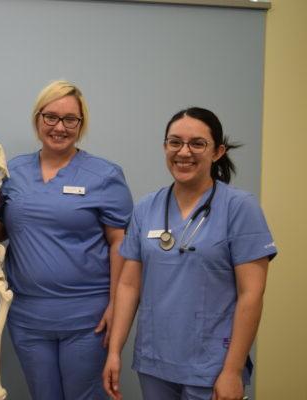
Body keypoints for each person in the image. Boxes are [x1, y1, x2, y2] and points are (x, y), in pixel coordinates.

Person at [103, 107, 277, 400]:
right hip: (155, 361)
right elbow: (129, 285)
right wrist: (114, 351)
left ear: (218, 151)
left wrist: (232, 371)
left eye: (197, 143)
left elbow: (251, 294)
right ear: (165, 147)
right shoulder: (147, 208)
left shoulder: (239, 208)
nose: (184, 152)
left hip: (212, 365)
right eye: (175, 142)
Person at [0, 80, 133, 400]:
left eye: (70, 119)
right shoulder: (12, 172)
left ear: (81, 124)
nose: (59, 127)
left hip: (87, 317)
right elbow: (5, 229)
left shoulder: (104, 175)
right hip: (27, 316)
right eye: (51, 117)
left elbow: (120, 243)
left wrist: (116, 304)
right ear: (37, 119)